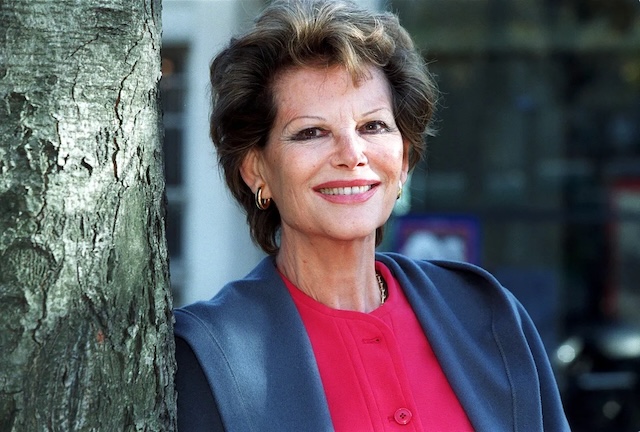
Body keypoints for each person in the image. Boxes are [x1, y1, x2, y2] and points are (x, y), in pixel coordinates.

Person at [173, 1, 570, 430]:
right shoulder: (207, 357)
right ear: (256, 170)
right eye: (312, 132)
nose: (351, 155)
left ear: (403, 160)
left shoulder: (489, 316)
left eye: (373, 127)